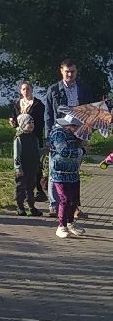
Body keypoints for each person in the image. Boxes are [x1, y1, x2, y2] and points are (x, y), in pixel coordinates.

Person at [45, 61, 93, 218]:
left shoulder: (83, 89)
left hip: (78, 133)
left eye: (72, 71)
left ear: (76, 72)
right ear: (61, 71)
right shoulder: (53, 90)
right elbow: (48, 116)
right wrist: (49, 136)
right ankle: (54, 205)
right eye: (67, 72)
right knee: (55, 168)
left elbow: (90, 113)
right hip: (59, 134)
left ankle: (74, 206)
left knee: (74, 171)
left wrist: (87, 134)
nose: (70, 74)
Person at [48, 114, 87, 239]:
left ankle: (70, 223)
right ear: (70, 125)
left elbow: (77, 149)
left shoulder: (74, 134)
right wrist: (81, 151)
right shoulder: (58, 134)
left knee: (74, 200)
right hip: (60, 173)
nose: (78, 129)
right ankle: (61, 226)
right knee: (64, 199)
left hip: (73, 172)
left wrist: (82, 143)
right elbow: (63, 151)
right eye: (77, 127)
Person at [8, 80, 47, 200]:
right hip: (21, 136)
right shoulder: (18, 104)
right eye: (23, 89)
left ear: (32, 90)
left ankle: (40, 190)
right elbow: (14, 118)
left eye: (28, 89)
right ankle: (21, 189)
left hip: (34, 136)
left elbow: (41, 122)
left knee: (36, 163)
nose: (26, 91)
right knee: (20, 159)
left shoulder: (38, 104)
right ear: (20, 91)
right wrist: (12, 121)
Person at [13, 113, 43, 217]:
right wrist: (18, 168)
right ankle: (20, 206)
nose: (31, 124)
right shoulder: (19, 138)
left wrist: (44, 151)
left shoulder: (34, 137)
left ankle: (31, 206)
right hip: (23, 167)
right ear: (22, 124)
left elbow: (37, 151)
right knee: (21, 187)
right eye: (28, 122)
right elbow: (17, 154)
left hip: (33, 167)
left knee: (31, 187)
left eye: (32, 122)